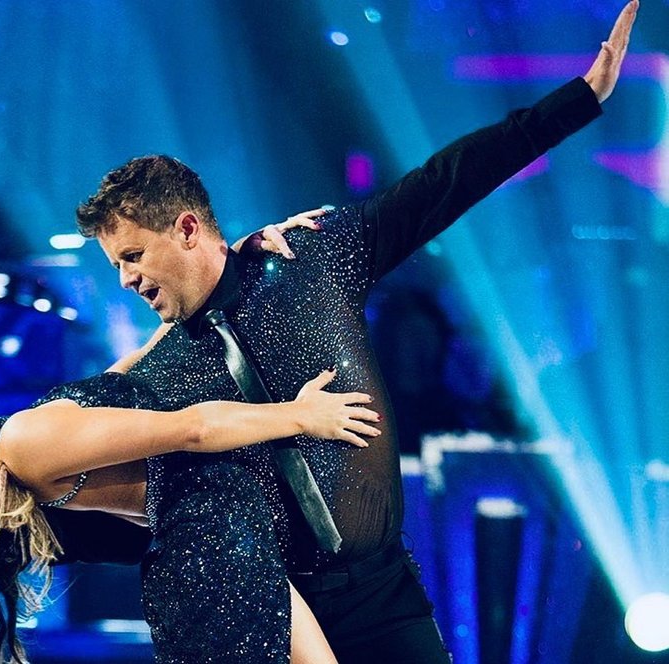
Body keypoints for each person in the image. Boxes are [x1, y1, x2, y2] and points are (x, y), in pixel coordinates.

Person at [69, 3, 639, 661]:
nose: (125, 280)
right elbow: (73, 447)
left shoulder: (311, 258)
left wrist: (580, 99)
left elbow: (443, 185)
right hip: (275, 619)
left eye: (132, 256)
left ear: (188, 229)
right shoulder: (161, 372)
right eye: (116, 266)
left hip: (385, 598)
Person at [0, 367, 379, 664]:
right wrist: (301, 416)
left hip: (221, 537)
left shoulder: (11, 452)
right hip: (218, 545)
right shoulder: (21, 446)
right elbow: (191, 430)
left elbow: (121, 378)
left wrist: (226, 262)